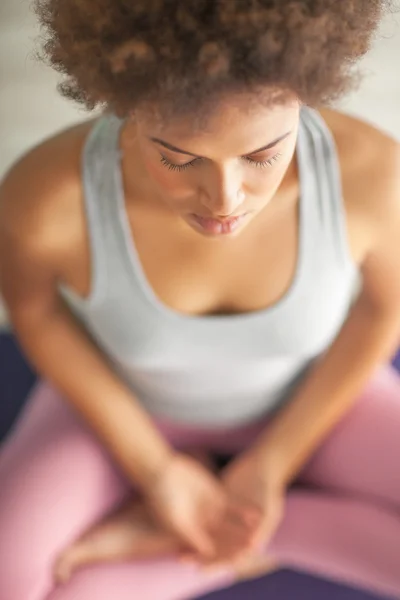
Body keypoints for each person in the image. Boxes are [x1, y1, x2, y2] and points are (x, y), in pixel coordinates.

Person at [1, 1, 400, 599]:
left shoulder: (374, 176)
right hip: (126, 406)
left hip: (315, 405)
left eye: (263, 155)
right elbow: (35, 313)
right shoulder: (43, 197)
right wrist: (156, 474)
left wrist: (272, 468)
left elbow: (382, 311)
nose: (225, 199)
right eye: (179, 158)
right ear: (127, 108)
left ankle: (246, 537)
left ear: (307, 97)